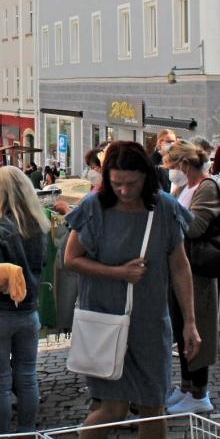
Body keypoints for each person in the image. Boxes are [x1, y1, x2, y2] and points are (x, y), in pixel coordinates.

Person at [64, 141, 200, 438]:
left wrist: (190, 321)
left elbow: (180, 266)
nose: (124, 191)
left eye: (131, 183)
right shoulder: (94, 207)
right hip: (105, 321)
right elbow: (71, 259)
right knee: (113, 409)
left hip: (150, 324)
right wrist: (118, 273)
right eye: (116, 184)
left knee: (153, 406)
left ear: (145, 176)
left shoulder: (164, 208)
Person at [0, 166, 49, 434]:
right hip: (28, 311)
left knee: (2, 381)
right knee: (27, 377)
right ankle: (28, 431)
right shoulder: (39, 226)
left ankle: (1, 434)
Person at [162, 141, 220, 414]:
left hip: (198, 271)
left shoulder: (206, 187)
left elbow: (195, 227)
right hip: (182, 269)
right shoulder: (186, 187)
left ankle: (199, 393)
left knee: (198, 329)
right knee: (182, 327)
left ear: (185, 165)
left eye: (173, 166)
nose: (170, 171)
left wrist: (169, 208)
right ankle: (187, 386)